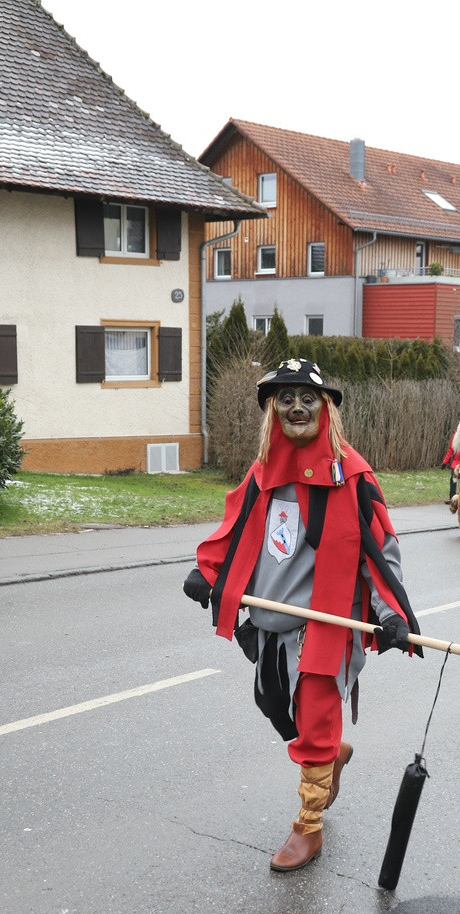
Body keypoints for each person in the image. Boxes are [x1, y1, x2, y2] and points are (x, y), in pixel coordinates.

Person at [183, 358, 422, 873]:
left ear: (326, 408)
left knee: (313, 721)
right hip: (267, 622)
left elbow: (380, 551)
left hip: (324, 626)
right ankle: (330, 754)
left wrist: (391, 612)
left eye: (306, 398)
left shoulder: (352, 475)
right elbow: (233, 526)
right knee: (273, 703)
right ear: (273, 409)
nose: (296, 407)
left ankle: (307, 825)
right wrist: (208, 570)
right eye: (284, 399)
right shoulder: (263, 472)